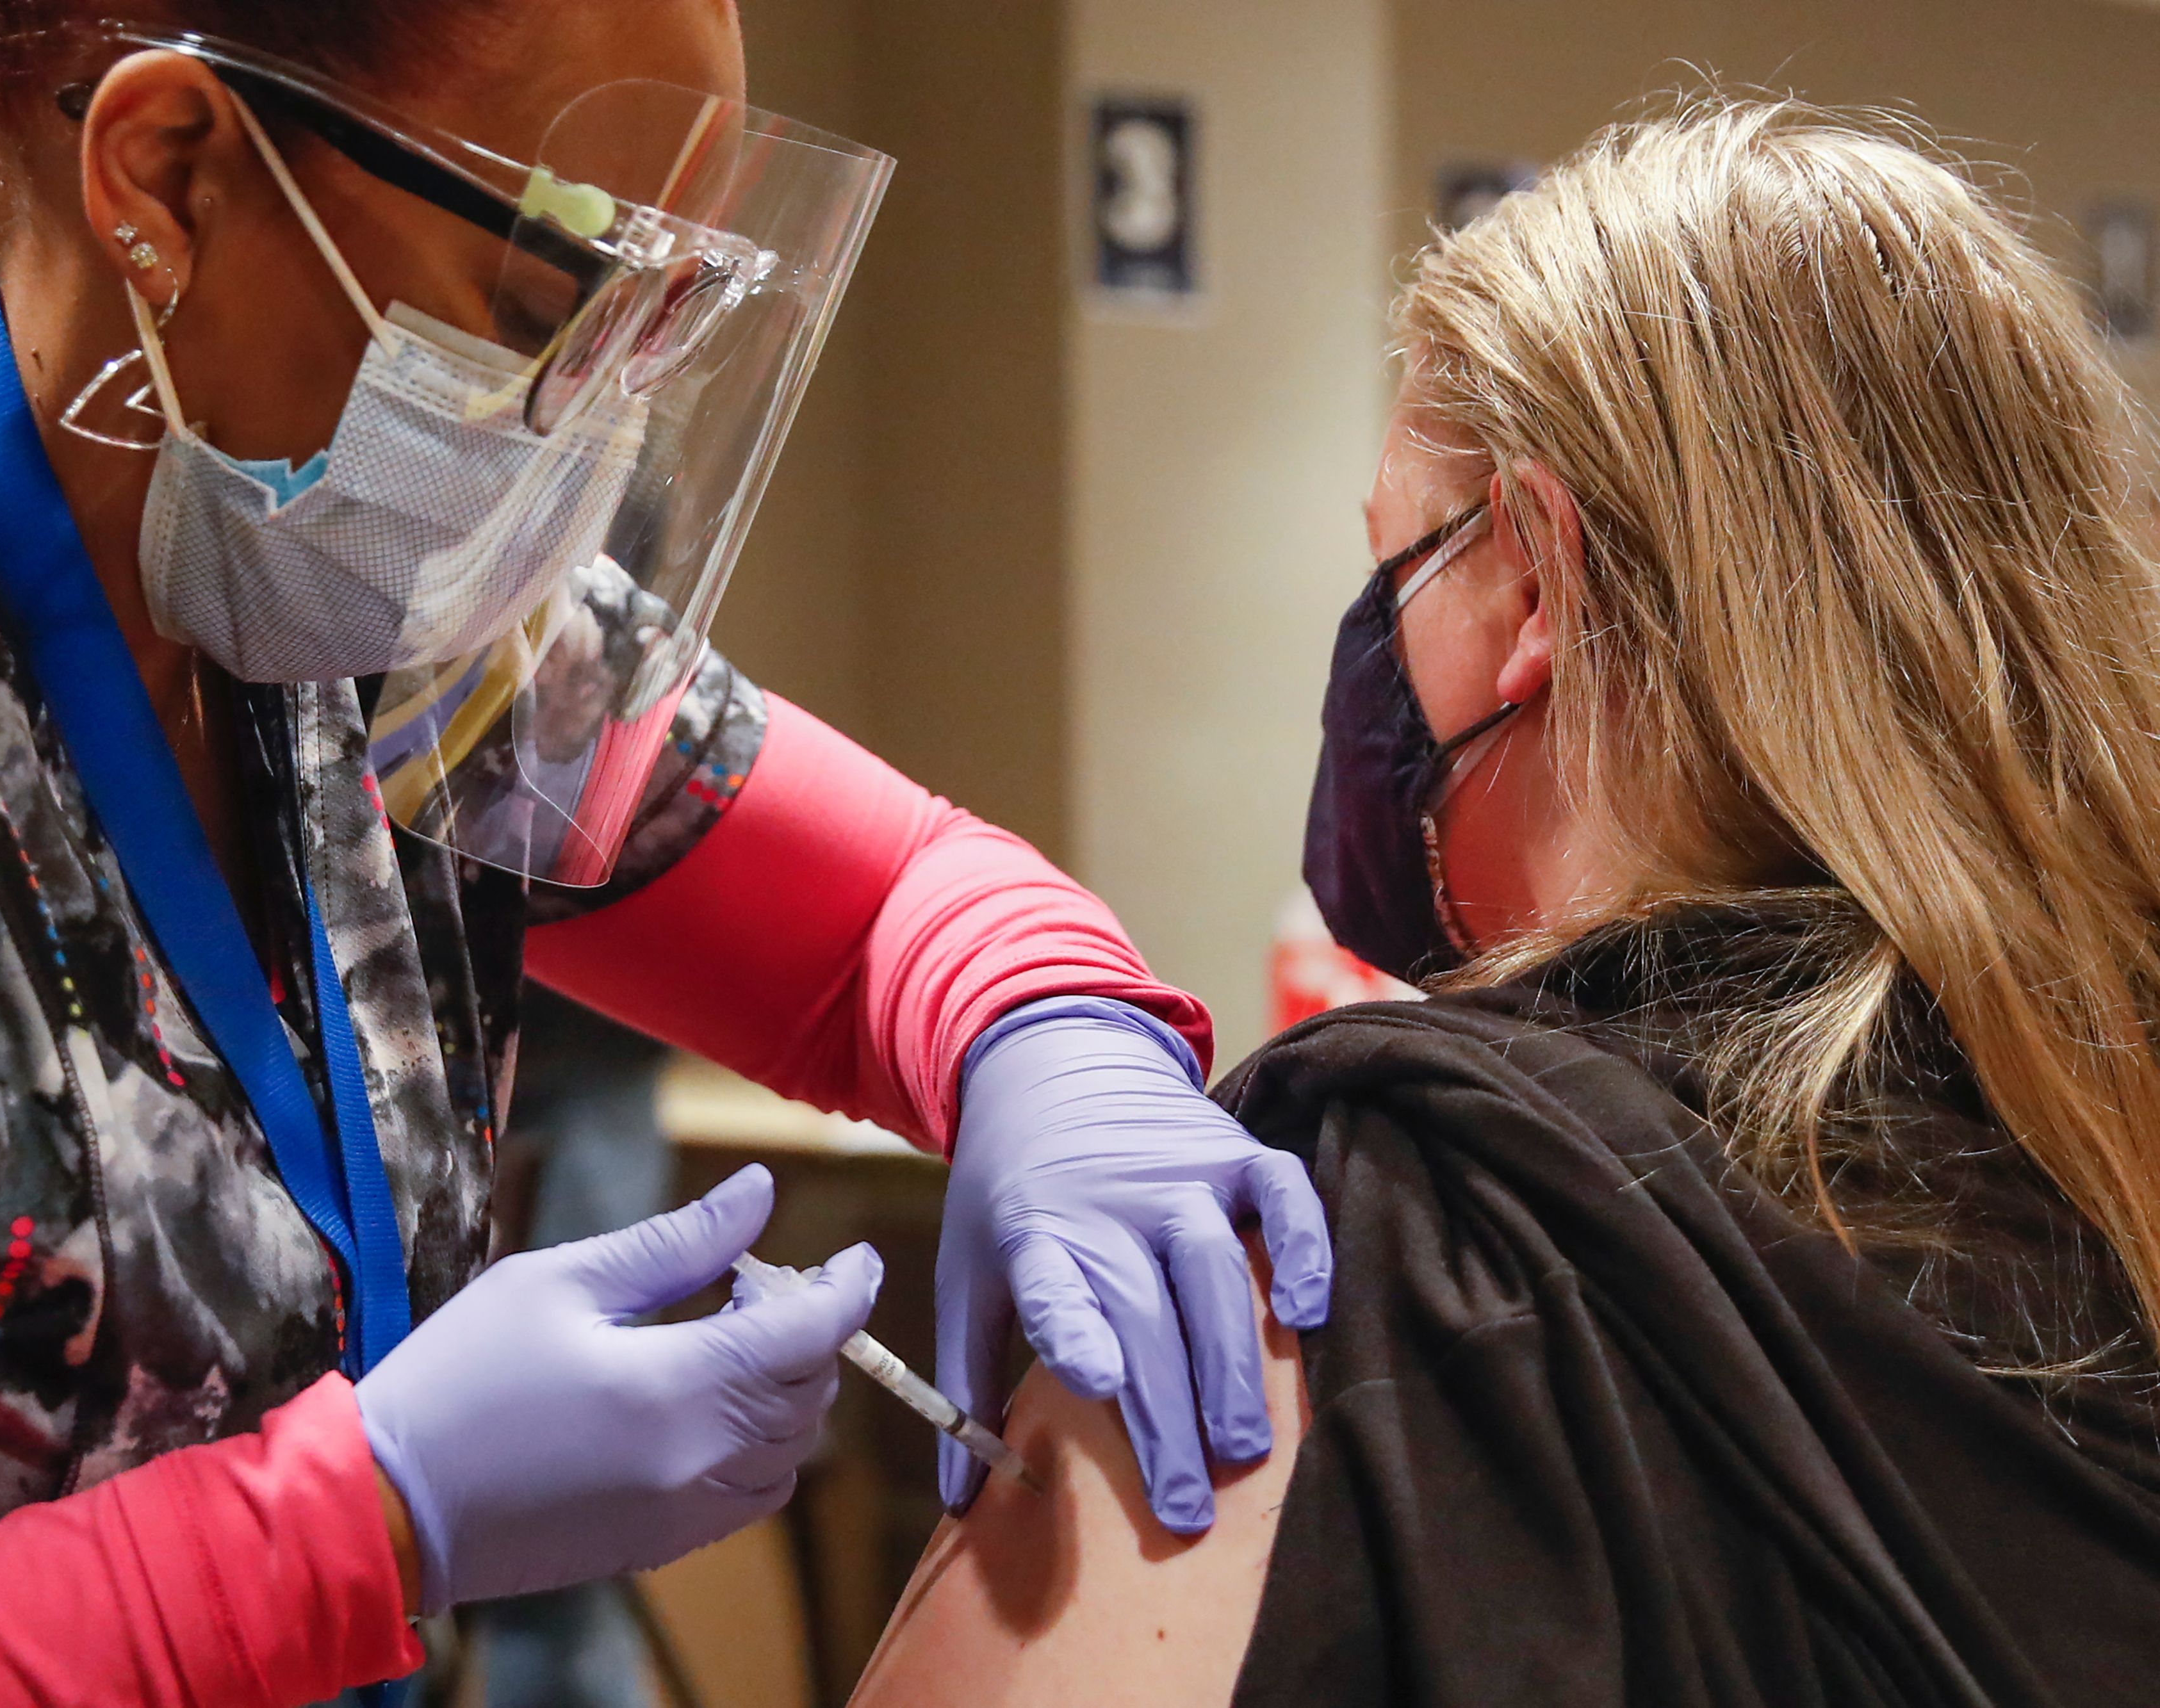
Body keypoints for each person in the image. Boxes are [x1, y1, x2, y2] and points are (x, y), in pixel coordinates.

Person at [0, 2, 1337, 1702]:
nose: (578, 421)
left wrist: (1053, 1035)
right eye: (534, 309)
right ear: (172, 169)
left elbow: (888, 907)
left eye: (656, 321)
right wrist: (349, 1525)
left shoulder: (349, 569)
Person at [851, 103, 2160, 1707]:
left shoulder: (1367, 1227)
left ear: (1533, 586)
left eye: (1395, 565)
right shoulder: (2106, 1151)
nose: (1363, 647)